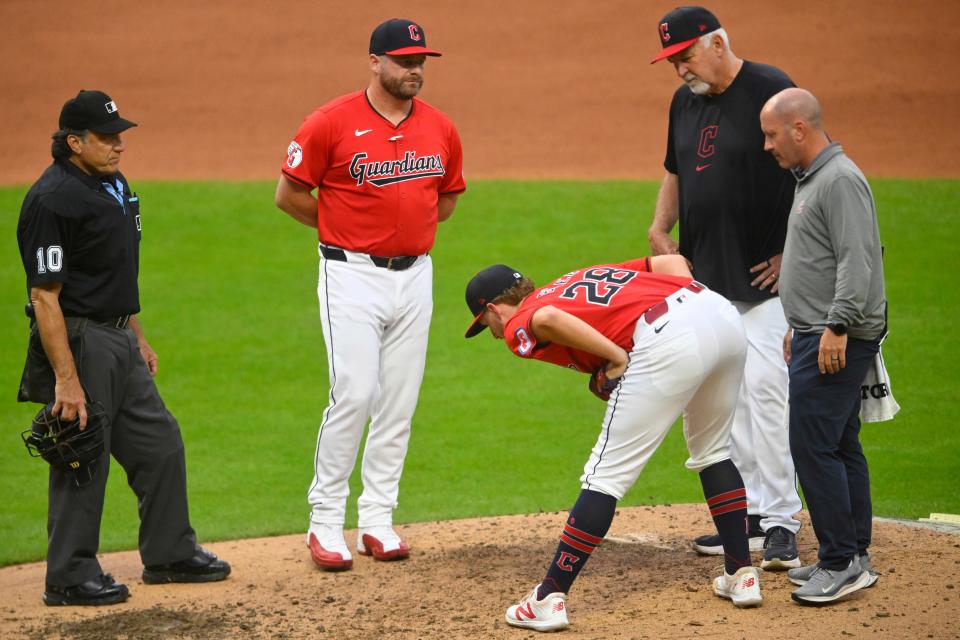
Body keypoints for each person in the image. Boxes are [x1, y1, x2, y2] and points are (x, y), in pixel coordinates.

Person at [464, 255, 763, 632]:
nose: (491, 331)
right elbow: (671, 261)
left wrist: (616, 357)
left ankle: (549, 598)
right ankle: (741, 574)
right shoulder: (574, 278)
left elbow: (548, 320)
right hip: (719, 315)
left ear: (493, 308)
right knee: (713, 451)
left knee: (603, 477)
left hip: (667, 338)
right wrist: (686, 311)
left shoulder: (524, 315)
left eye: (484, 322)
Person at [16, 90, 230, 606]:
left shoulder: (111, 182)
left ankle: (169, 553)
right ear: (74, 141)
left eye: (120, 135)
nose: (119, 146)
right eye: (107, 137)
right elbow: (45, 297)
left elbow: (112, 269)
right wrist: (66, 379)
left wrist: (136, 333)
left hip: (118, 338)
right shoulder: (51, 200)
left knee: (159, 442)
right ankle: (68, 576)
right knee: (81, 452)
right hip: (81, 340)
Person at [275, 18, 466, 571]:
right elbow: (288, 194)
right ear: (375, 62)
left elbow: (445, 198)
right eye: (404, 61)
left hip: (416, 276)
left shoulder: (441, 128)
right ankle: (325, 522)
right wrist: (346, 230)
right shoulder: (329, 122)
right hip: (350, 275)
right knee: (355, 393)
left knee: (399, 400)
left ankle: (378, 519)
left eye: (420, 61)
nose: (414, 70)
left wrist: (404, 234)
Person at [648, 5, 802, 569]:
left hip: (764, 281)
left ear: (717, 44)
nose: (679, 69)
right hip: (706, 279)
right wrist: (660, 224)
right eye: (671, 60)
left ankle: (784, 519)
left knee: (767, 397)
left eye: (685, 56)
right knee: (727, 400)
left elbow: (809, 169)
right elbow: (675, 167)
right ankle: (752, 516)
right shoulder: (684, 101)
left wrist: (795, 251)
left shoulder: (770, 90)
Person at [760, 87, 886, 605]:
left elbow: (859, 261)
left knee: (812, 447)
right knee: (839, 443)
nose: (767, 145)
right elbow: (824, 260)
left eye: (771, 134)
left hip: (836, 338)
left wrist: (834, 326)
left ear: (799, 129)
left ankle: (841, 563)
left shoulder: (839, 181)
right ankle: (853, 552)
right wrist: (803, 322)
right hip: (818, 331)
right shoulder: (813, 178)